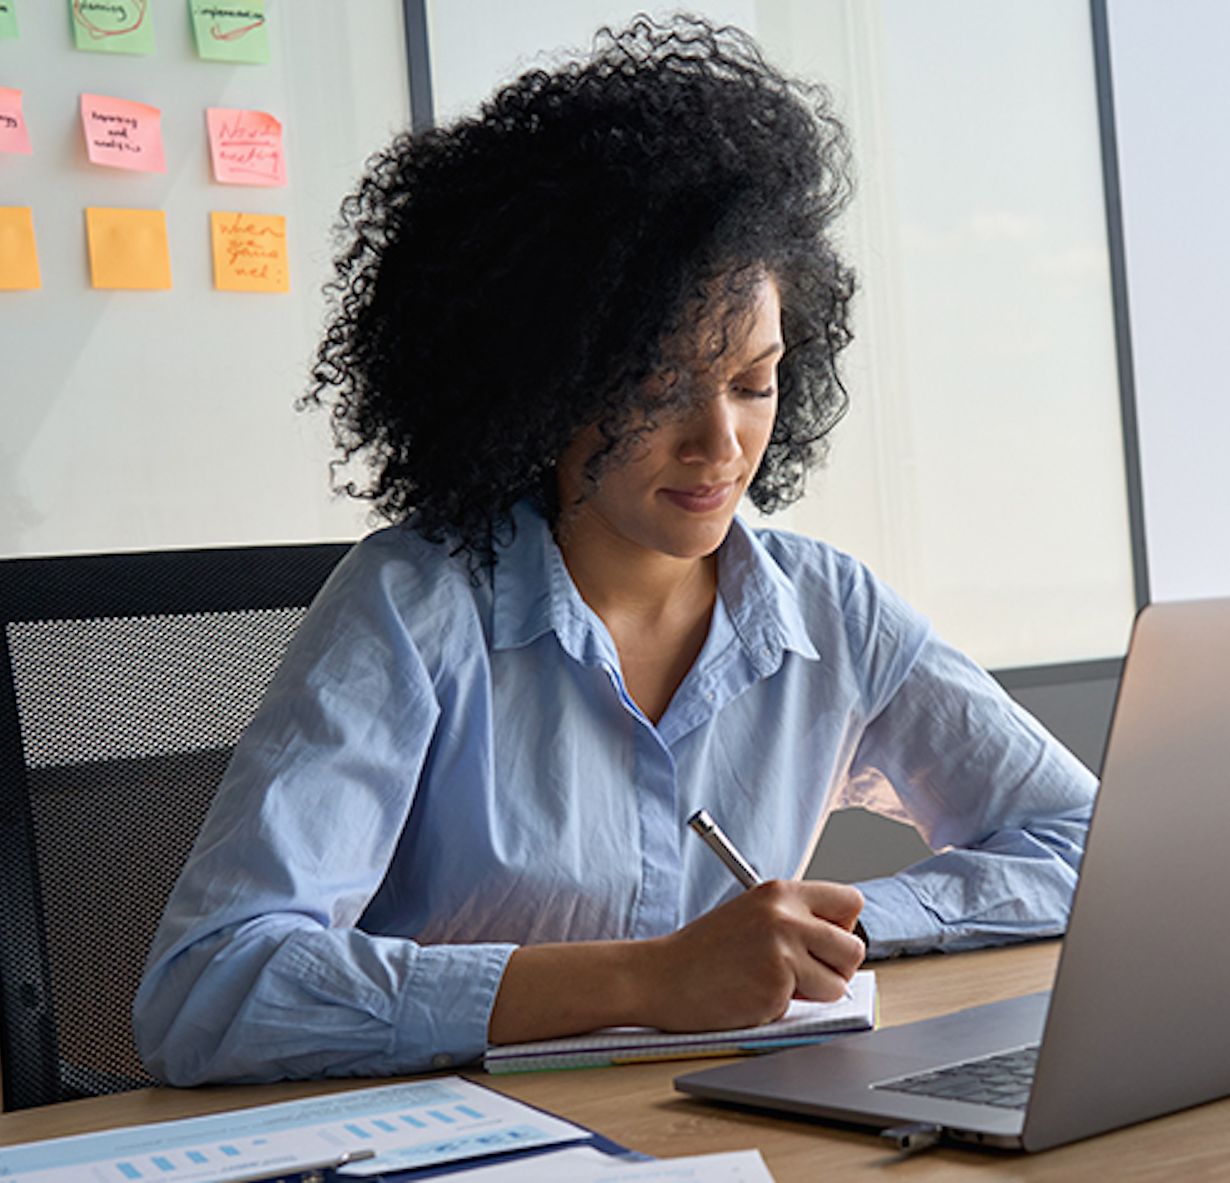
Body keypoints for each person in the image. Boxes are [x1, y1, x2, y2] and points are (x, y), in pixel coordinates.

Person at [133, 16, 1095, 1086]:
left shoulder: (833, 612)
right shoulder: (413, 609)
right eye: (659, 387)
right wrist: (648, 978)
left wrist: (832, 928)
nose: (720, 443)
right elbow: (209, 991)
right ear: (542, 384)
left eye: (753, 381)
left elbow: (1083, 838)